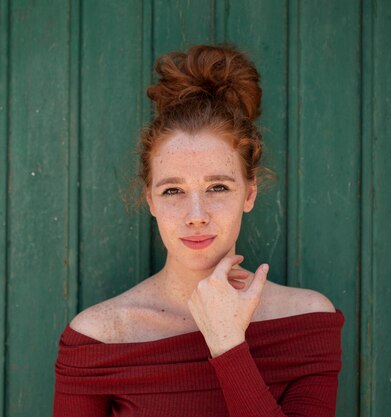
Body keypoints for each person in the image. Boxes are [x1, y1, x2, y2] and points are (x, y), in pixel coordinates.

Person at [53, 44, 343, 417]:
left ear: (249, 194)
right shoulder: (99, 338)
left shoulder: (306, 322)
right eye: (173, 190)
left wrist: (227, 344)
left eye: (218, 188)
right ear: (151, 201)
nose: (196, 215)